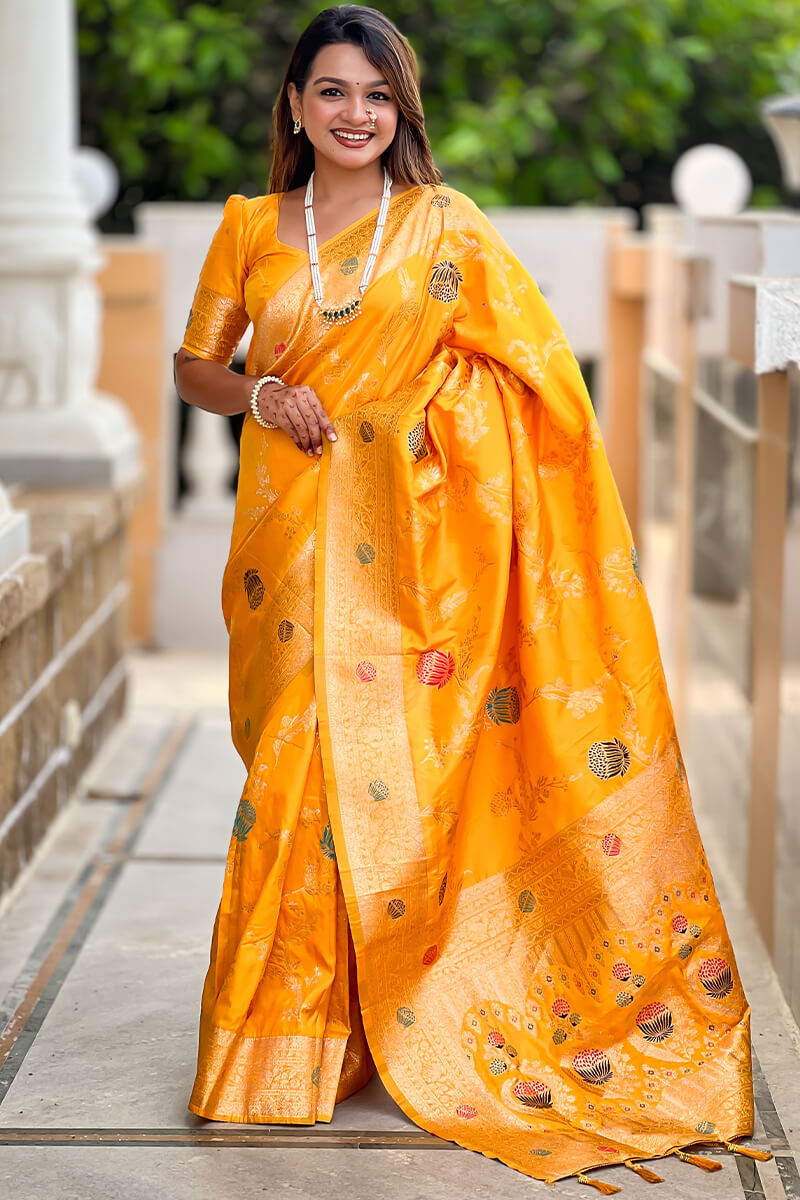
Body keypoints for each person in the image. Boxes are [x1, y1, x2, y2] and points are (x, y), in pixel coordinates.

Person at [175, 6, 766, 1190]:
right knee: (291, 757)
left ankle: (324, 1039)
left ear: (402, 112)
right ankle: (294, 1037)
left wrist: (417, 427)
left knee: (350, 768)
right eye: (333, 91)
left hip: (418, 558)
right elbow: (196, 366)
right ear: (293, 102)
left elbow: (539, 381)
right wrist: (258, 393)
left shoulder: (449, 230)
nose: (355, 115)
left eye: (377, 97)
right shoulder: (250, 228)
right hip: (287, 547)